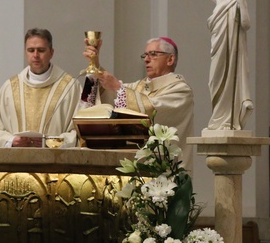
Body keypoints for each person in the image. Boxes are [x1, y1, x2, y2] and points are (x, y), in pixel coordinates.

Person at [81, 36, 194, 170]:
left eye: (153, 54)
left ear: (170, 59)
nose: (146, 59)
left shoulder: (180, 90)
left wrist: (118, 87)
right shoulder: (140, 86)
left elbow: (151, 109)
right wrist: (95, 65)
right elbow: (111, 97)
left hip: (166, 173)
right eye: (145, 55)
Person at [0, 28, 83, 147]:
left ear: (51, 52)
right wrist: (12, 140)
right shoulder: (10, 87)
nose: (35, 55)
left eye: (41, 50)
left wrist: (51, 142)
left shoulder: (70, 87)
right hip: (17, 162)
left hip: (55, 162)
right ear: (25, 52)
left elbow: (80, 131)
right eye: (31, 50)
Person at [190, 0, 254, 131]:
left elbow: (246, 25)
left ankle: (228, 120)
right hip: (217, 48)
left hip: (231, 50)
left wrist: (242, 5)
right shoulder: (219, 0)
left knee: (229, 81)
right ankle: (218, 118)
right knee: (214, 82)